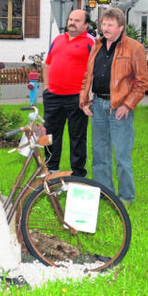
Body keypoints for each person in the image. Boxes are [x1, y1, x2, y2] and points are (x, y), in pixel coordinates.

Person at [80, 8, 148, 204]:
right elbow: (88, 75)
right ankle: (104, 194)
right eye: (103, 24)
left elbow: (142, 82)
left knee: (122, 157)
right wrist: (84, 100)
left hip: (119, 108)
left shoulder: (134, 48)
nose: (105, 28)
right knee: (99, 155)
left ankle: (126, 198)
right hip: (98, 105)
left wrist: (127, 105)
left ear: (121, 27)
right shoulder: (97, 45)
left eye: (110, 25)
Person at [42, 10, 95, 177]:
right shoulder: (58, 39)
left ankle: (78, 174)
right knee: (50, 134)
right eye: (70, 19)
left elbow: (94, 70)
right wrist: (46, 88)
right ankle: (51, 169)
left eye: (77, 20)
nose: (72, 22)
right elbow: (48, 64)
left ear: (86, 25)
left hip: (76, 97)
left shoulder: (91, 42)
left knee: (77, 136)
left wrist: (86, 95)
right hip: (53, 96)